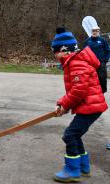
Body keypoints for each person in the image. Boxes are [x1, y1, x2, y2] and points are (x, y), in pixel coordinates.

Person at [51, 27, 108, 183]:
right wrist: (62, 103)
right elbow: (77, 91)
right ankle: (83, 166)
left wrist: (64, 105)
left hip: (91, 106)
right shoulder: (76, 60)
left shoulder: (76, 62)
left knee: (69, 135)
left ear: (64, 50)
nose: (55, 56)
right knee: (75, 134)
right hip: (90, 105)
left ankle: (72, 170)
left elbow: (79, 91)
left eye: (55, 52)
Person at [83, 26, 110, 93]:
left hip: (101, 62)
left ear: (99, 32)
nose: (95, 32)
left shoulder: (102, 40)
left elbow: (108, 51)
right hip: (90, 63)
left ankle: (103, 91)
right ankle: (91, 92)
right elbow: (84, 52)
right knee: (90, 79)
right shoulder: (87, 41)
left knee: (102, 77)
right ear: (91, 32)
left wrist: (105, 60)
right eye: (93, 31)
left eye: (96, 31)